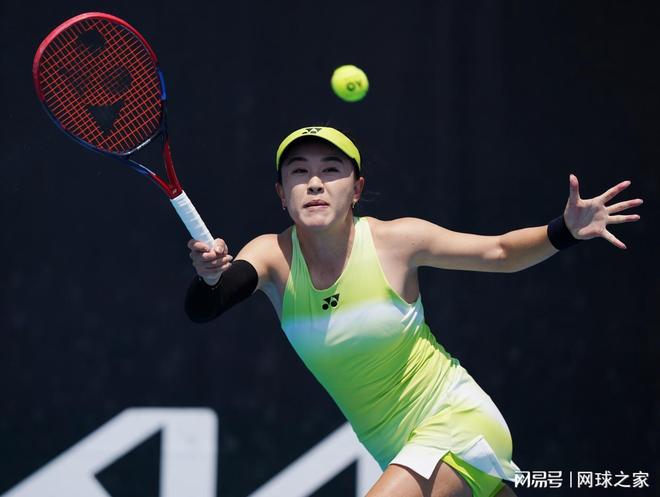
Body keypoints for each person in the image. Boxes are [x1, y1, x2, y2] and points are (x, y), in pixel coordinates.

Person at [183, 126, 642, 497]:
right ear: (282, 194)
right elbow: (208, 305)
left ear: (357, 190)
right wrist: (208, 277)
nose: (315, 182)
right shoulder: (271, 255)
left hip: (456, 422)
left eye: (331, 170)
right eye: (299, 172)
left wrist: (564, 230)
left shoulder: (397, 241)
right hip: (395, 451)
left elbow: (500, 252)